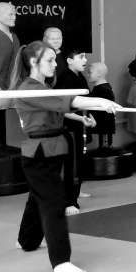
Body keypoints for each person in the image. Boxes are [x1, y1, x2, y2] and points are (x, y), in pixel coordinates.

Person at [12, 41, 121, 272]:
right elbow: (72, 101)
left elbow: (57, 107)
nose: (54, 65)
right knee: (53, 203)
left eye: (55, 60)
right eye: (49, 60)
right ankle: (61, 261)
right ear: (33, 62)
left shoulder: (43, 86)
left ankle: (27, 240)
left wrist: (82, 118)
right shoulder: (29, 87)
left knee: (38, 196)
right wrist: (100, 101)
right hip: (40, 151)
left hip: (52, 147)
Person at [53, 49, 93, 215]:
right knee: (70, 165)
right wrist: (81, 119)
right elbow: (61, 107)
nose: (84, 60)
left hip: (79, 126)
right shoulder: (65, 78)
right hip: (67, 128)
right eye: (80, 57)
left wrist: (90, 115)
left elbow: (83, 102)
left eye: (85, 57)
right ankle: (69, 201)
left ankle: (73, 196)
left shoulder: (80, 77)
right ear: (69, 60)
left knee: (78, 163)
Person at [86, 62, 117, 148]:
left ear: (99, 74)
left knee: (104, 147)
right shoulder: (99, 88)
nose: (87, 74)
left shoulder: (104, 90)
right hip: (101, 125)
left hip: (105, 127)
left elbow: (108, 113)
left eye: (90, 72)